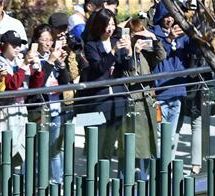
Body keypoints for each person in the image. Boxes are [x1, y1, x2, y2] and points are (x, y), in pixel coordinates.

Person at [77, 8, 133, 160]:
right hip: (98, 101)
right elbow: (99, 68)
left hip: (117, 100)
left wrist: (129, 52)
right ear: (99, 25)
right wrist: (113, 52)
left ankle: (104, 172)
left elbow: (126, 68)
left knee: (109, 147)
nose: (111, 28)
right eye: (107, 24)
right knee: (96, 146)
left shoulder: (116, 41)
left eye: (113, 24)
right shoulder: (91, 45)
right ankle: (94, 173)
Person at [27, 25, 72, 183]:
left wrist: (61, 64)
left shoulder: (52, 56)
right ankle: (36, 182)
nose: (47, 43)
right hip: (40, 110)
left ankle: (57, 182)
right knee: (37, 149)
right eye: (44, 40)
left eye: (50, 40)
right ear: (36, 40)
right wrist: (51, 61)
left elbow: (65, 82)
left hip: (56, 107)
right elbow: (38, 84)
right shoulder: (32, 58)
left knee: (54, 149)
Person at [124, 16, 165, 180]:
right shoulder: (126, 53)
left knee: (151, 140)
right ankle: (139, 178)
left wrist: (154, 38)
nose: (141, 39)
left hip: (149, 99)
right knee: (139, 144)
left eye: (142, 34)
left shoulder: (147, 53)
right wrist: (134, 52)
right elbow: (131, 75)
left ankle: (149, 176)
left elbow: (161, 56)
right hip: (135, 102)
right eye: (137, 35)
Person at [152, 5, 191, 157]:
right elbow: (157, 56)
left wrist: (192, 32)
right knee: (159, 135)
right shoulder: (152, 34)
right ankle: (158, 167)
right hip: (160, 93)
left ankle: (168, 166)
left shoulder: (182, 34)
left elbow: (194, 49)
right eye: (166, 16)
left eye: (172, 16)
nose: (169, 19)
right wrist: (169, 39)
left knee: (173, 135)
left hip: (178, 91)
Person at [0, 30, 31, 165]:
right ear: (3, 45)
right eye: (13, 45)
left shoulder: (19, 61)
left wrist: (37, 70)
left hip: (21, 107)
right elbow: (11, 85)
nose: (17, 48)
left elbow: (34, 86)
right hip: (5, 109)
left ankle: (17, 177)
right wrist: (24, 65)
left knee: (23, 148)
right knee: (6, 149)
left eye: (19, 45)